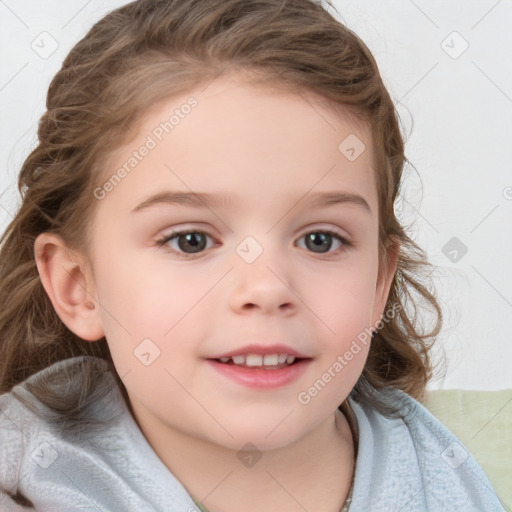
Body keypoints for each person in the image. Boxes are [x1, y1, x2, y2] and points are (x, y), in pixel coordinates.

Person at [0, 0, 505, 511]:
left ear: (379, 282)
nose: (266, 288)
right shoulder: (28, 481)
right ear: (77, 286)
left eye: (320, 240)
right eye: (190, 240)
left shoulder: (448, 479)